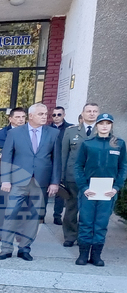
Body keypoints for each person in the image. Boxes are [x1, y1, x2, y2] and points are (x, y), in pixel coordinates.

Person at [0, 103, 61, 261]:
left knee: (33, 217)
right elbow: (7, 157)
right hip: (17, 181)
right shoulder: (15, 133)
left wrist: (55, 182)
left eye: (46, 113)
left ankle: (24, 248)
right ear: (30, 116)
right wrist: (5, 180)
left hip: (40, 182)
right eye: (40, 114)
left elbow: (57, 160)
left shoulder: (54, 133)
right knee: (11, 214)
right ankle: (6, 248)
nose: (45, 116)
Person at [73, 113, 126, 266]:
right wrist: (83, 187)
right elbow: (78, 166)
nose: (104, 126)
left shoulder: (119, 144)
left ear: (111, 126)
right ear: (97, 125)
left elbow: (123, 167)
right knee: (86, 222)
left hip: (108, 192)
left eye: (107, 123)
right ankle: (83, 254)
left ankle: (96, 255)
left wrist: (116, 187)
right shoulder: (88, 143)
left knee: (101, 223)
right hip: (89, 190)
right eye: (101, 123)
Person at [59, 103, 100, 247]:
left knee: (90, 209)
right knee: (71, 207)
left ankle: (85, 236)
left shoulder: (103, 130)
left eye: (95, 111)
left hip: (94, 176)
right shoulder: (71, 131)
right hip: (73, 176)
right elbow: (64, 155)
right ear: (82, 113)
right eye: (88, 111)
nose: (91, 114)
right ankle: (70, 236)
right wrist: (61, 176)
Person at [0, 108, 26, 242]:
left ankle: (20, 233)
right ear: (10, 118)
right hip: (2, 173)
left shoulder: (29, 134)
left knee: (21, 205)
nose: (21, 119)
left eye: (23, 117)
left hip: (21, 173)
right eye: (18, 117)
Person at [47, 106, 72, 224]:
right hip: (48, 162)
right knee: (45, 189)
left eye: (59, 114)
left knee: (60, 191)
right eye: (54, 115)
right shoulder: (46, 128)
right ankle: (41, 215)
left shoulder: (70, 129)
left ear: (64, 115)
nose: (56, 117)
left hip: (62, 162)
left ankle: (57, 215)